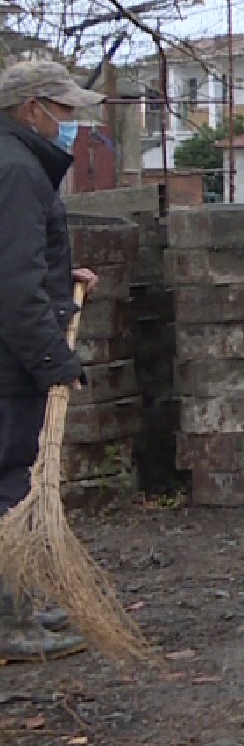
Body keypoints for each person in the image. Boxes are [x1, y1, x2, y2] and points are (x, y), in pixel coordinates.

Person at [0, 61, 104, 662]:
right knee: (9, 486)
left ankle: (14, 602)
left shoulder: (17, 168)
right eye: (61, 110)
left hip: (11, 358)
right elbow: (12, 286)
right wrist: (53, 360)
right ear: (30, 109)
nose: (70, 122)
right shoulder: (15, 172)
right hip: (8, 365)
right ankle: (8, 620)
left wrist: (61, 277)